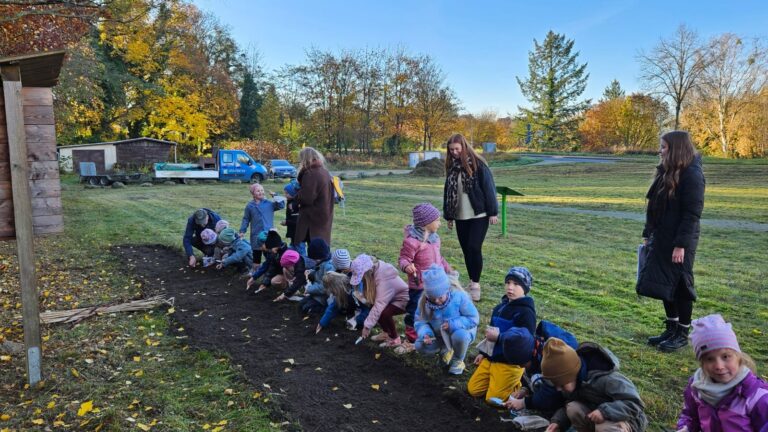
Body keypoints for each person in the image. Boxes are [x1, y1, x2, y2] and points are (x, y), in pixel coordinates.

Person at [637, 131, 705, 353]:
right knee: (664, 283)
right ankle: (671, 327)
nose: (660, 150)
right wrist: (648, 234)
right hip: (661, 238)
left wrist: (681, 245)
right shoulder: (666, 172)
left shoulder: (692, 175)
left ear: (675, 149)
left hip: (680, 241)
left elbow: (692, 214)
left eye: (664, 147)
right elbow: (653, 207)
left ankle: (682, 333)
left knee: (680, 286)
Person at [676, 314, 768, 432]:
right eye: (710, 359)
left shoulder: (756, 396)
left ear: (738, 357)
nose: (719, 366)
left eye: (725, 357)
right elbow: (690, 415)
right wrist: (686, 428)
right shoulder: (696, 387)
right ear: (702, 363)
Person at [541, 338, 648, 432]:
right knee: (572, 408)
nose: (559, 389)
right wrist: (557, 422)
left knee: (604, 427)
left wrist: (604, 412)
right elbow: (567, 405)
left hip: (629, 421)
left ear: (572, 374)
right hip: (598, 418)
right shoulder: (574, 382)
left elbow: (635, 403)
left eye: (562, 384)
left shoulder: (607, 379)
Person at [442, 133, 498, 301]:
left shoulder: (478, 164)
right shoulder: (452, 167)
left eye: (457, 149)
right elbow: (448, 192)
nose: (454, 152)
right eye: (451, 150)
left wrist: (493, 211)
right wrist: (449, 215)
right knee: (466, 250)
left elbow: (489, 188)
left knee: (474, 247)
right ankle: (472, 281)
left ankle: (475, 285)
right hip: (460, 216)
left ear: (464, 147)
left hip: (478, 214)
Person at [468, 266, 536, 403]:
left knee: (493, 401)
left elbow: (524, 342)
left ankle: (517, 383)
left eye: (516, 284)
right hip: (492, 358)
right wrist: (484, 353)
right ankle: (497, 382)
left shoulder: (526, 313)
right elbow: (490, 335)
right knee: (473, 390)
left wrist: (499, 338)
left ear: (525, 288)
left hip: (508, 363)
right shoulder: (499, 308)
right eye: (508, 283)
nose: (510, 287)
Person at [398, 202, 453, 348]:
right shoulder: (412, 242)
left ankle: (433, 335)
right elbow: (403, 259)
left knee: (436, 309)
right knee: (415, 311)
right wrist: (406, 266)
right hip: (419, 285)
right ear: (426, 223)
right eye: (437, 220)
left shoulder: (435, 239)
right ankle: (410, 340)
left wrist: (448, 269)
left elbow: (439, 258)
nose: (440, 224)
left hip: (437, 283)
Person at [414, 265, 478, 375]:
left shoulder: (459, 296)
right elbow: (420, 321)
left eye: (440, 297)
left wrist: (452, 324)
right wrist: (426, 334)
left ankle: (458, 359)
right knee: (419, 345)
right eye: (433, 299)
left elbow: (473, 319)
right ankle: (445, 350)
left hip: (460, 331)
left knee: (460, 336)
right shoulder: (424, 302)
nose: (437, 301)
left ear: (447, 289)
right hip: (439, 335)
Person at [351, 254, 409, 348]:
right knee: (379, 311)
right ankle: (386, 333)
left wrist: (367, 327)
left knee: (383, 312)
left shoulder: (383, 280)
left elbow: (379, 305)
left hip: (404, 300)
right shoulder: (376, 271)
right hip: (392, 299)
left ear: (368, 272)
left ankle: (394, 339)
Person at [294, 147, 334, 249]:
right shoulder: (324, 171)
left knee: (314, 251)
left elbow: (306, 198)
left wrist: (295, 197)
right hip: (323, 215)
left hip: (312, 219)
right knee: (321, 249)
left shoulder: (311, 173)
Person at [240, 183, 285, 271]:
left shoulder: (269, 203)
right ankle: (254, 272)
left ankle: (270, 271)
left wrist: (275, 196)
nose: (261, 192)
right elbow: (246, 219)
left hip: (268, 234)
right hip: (256, 235)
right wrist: (242, 230)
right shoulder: (250, 206)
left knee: (270, 255)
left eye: (262, 190)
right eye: (258, 191)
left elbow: (281, 205)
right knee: (256, 256)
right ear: (253, 194)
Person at [299, 238, 334, 315]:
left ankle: (324, 308)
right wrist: (311, 273)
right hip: (316, 293)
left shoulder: (328, 267)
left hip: (324, 297)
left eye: (315, 259)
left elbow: (324, 287)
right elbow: (318, 273)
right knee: (301, 305)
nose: (314, 261)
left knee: (307, 309)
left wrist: (309, 289)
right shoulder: (321, 262)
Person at [281, 179, 301, 253]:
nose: (285, 195)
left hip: (298, 234)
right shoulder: (290, 202)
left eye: (287, 193)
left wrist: (286, 222)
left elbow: (296, 220)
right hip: (293, 234)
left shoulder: (295, 204)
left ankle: (303, 263)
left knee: (300, 250)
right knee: (293, 248)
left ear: (293, 194)